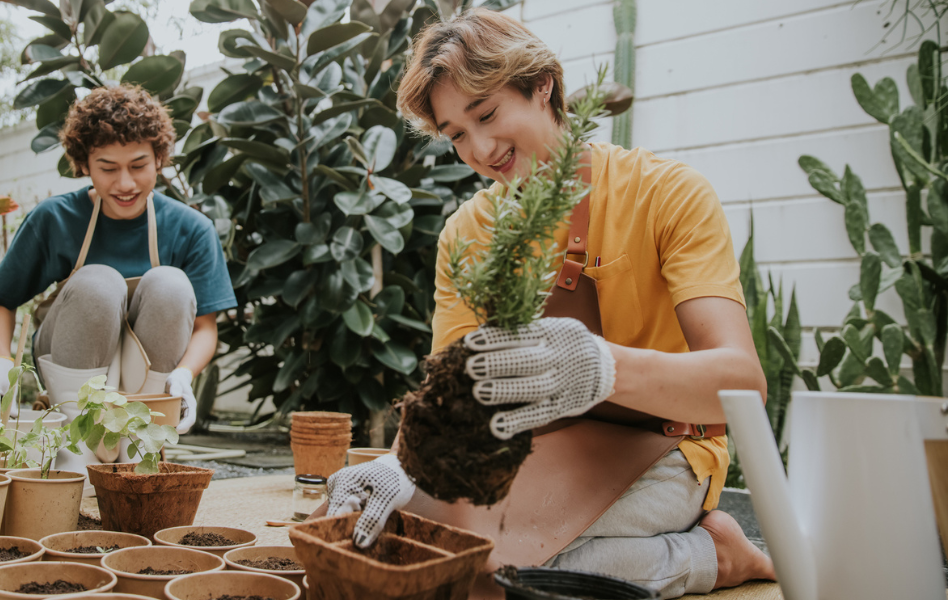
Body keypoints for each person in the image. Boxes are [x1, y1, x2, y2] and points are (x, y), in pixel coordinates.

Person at [325, 9, 776, 599]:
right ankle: (701, 550)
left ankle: (709, 556)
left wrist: (599, 366)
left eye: (486, 113)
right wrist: (402, 468)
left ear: (542, 85)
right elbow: (456, 399)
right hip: (534, 450)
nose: (481, 149)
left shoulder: (667, 194)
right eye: (457, 133)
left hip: (669, 445)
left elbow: (741, 382)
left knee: (491, 574)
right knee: (394, 538)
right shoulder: (468, 233)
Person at [0, 84, 236, 479]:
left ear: (160, 158)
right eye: (108, 168)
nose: (125, 184)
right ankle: (77, 450)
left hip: (148, 377)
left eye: (139, 165)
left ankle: (139, 448)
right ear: (84, 165)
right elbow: (0, 302)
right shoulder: (55, 219)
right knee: (99, 283)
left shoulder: (191, 228)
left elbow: (204, 327)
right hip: (71, 360)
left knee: (172, 285)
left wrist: (184, 373)